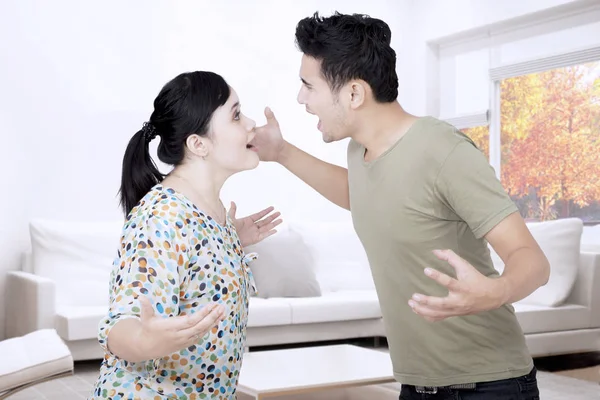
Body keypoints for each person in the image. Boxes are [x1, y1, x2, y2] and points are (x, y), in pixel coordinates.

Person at [252, 11, 550, 400]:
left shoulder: (442, 150)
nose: (301, 98)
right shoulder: (360, 150)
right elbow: (365, 194)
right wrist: (280, 152)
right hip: (416, 384)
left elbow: (532, 259)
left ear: (354, 93)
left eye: (309, 86)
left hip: (489, 383)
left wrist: (495, 291)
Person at [90, 71, 282, 399]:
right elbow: (123, 323)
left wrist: (227, 241)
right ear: (198, 144)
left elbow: (195, 269)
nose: (251, 123)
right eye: (236, 115)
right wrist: (143, 341)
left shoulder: (210, 213)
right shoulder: (163, 216)